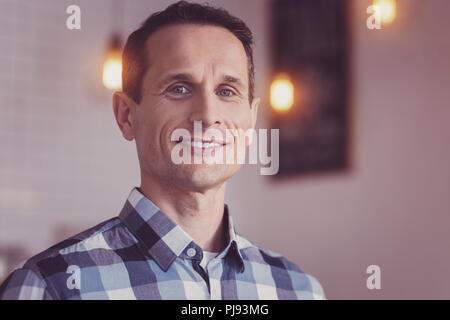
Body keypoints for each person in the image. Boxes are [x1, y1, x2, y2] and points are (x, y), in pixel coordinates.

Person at [0, 1, 325, 300]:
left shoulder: (298, 290)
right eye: (179, 88)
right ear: (126, 115)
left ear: (251, 119)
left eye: (227, 91)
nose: (208, 116)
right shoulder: (48, 287)